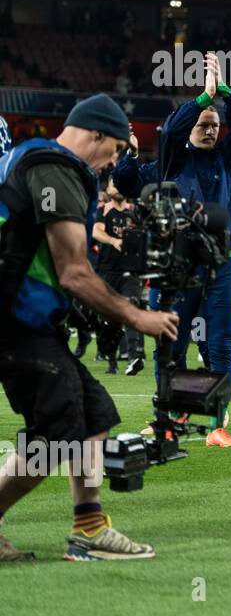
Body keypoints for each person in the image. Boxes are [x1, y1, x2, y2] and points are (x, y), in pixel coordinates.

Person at [0, 94, 178, 561]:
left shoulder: (32, 158)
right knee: (57, 432)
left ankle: (90, 528)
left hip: (28, 318)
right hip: (15, 321)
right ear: (96, 133)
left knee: (94, 415)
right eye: (115, 149)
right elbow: (73, 271)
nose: (114, 162)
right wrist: (137, 317)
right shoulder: (54, 168)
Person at [113, 52, 231, 447]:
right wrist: (203, 99)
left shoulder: (228, 158)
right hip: (176, 264)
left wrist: (224, 92)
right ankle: (168, 417)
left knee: (219, 343)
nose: (209, 130)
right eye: (203, 124)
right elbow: (133, 174)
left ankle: (217, 425)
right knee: (171, 342)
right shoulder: (171, 161)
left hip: (222, 262)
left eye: (214, 126)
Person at [90, 178, 145, 375]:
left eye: (122, 183)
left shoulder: (135, 211)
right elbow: (96, 231)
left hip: (131, 270)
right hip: (108, 270)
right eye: (114, 183)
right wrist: (113, 241)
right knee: (109, 316)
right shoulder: (103, 211)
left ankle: (134, 357)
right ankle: (111, 360)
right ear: (108, 188)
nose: (118, 187)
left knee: (131, 306)